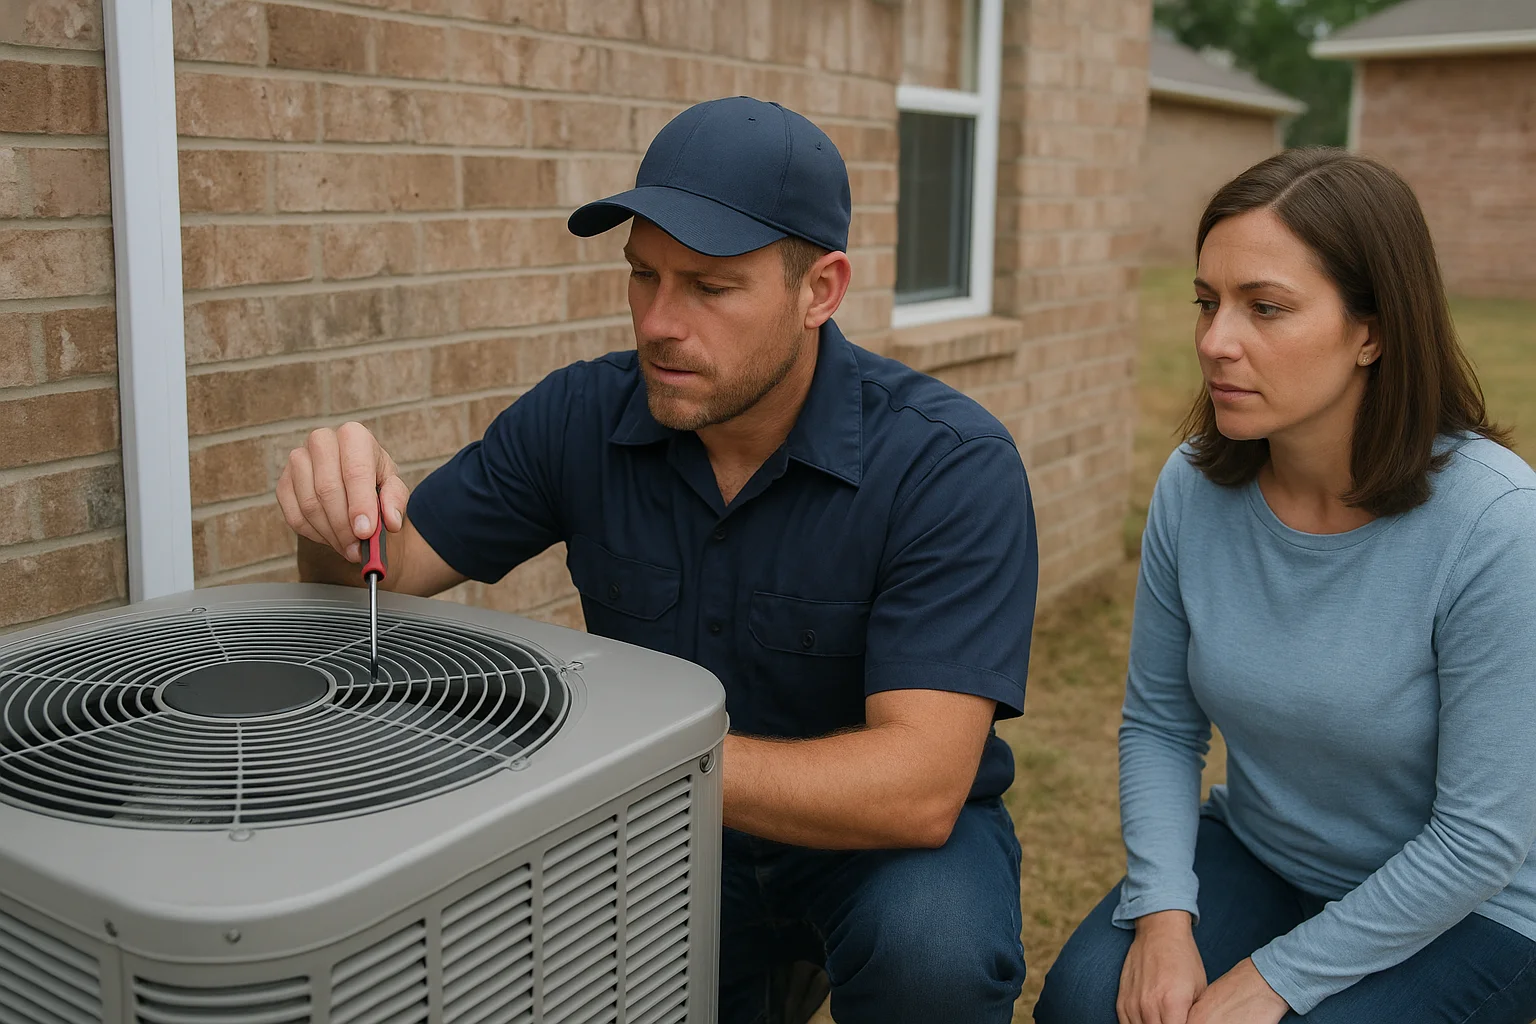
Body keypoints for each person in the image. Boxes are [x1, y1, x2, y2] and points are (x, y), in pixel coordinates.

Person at [275, 96, 1034, 1023]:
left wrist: (602, 758)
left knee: (936, 955)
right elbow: (377, 578)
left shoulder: (949, 464)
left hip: (880, 850)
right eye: (644, 276)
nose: (660, 323)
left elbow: (914, 791)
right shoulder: (577, 418)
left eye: (710, 288)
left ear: (820, 290)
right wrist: (333, 515)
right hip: (660, 833)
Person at [1034, 146, 1536, 1024]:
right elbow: (1160, 722)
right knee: (1084, 1003)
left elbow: (1480, 839)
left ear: (1372, 330)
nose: (1215, 341)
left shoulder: (1497, 526)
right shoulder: (1193, 487)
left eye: (1265, 308)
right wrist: (1161, 914)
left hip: (1478, 906)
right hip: (1267, 853)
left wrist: (1275, 979)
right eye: (1207, 302)